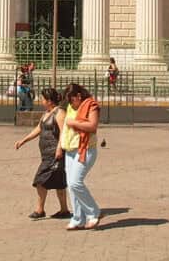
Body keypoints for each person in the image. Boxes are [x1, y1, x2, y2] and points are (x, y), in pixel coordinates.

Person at [14, 87, 71, 220]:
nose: (41, 101)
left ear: (50, 101)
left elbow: (63, 132)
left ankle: (40, 210)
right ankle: (64, 210)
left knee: (40, 181)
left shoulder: (59, 113)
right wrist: (23, 141)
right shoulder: (47, 113)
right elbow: (38, 129)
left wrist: (59, 148)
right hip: (46, 154)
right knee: (59, 182)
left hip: (54, 154)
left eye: (43, 99)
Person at [56, 83, 101, 230]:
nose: (70, 103)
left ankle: (93, 212)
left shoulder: (91, 105)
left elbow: (92, 126)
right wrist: (60, 146)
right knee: (71, 185)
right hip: (70, 148)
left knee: (76, 182)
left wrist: (73, 122)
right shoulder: (70, 107)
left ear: (78, 96)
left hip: (85, 149)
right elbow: (64, 127)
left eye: (71, 99)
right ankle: (78, 218)